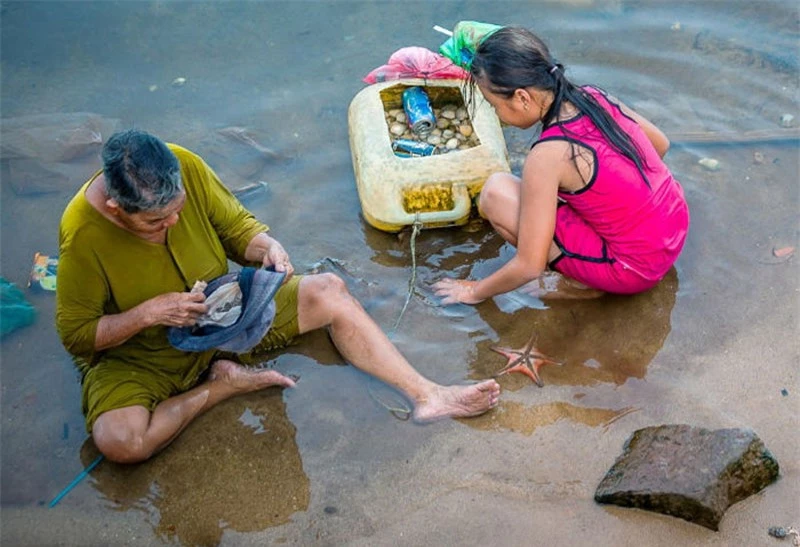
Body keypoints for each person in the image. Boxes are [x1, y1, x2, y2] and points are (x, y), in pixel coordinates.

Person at [56, 129, 500, 464]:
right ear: (117, 209)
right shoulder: (81, 234)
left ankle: (427, 395)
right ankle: (221, 387)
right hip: (145, 356)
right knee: (121, 442)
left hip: (224, 316)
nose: (172, 224)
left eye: (178, 212)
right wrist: (149, 313)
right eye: (156, 222)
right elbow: (76, 336)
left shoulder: (184, 164)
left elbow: (235, 229)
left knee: (329, 290)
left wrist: (267, 246)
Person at [433, 26, 689, 304]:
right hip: (673, 227)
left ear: (522, 97)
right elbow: (660, 144)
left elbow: (529, 265)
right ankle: (596, 262)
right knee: (565, 194)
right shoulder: (593, 96)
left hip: (634, 270)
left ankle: (583, 284)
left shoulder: (547, 155)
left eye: (495, 106)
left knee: (496, 193)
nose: (499, 116)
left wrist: (474, 291)